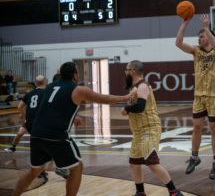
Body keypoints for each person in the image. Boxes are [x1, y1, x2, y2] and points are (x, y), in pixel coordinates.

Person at [12, 62, 136, 196]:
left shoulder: (49, 87)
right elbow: (104, 98)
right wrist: (126, 97)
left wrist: (73, 117)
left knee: (34, 171)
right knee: (77, 167)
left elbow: (46, 107)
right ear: (75, 75)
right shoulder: (78, 89)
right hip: (56, 135)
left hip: (36, 133)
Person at [121, 60, 184, 196]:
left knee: (151, 162)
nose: (125, 73)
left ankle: (174, 191)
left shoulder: (142, 86)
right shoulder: (133, 88)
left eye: (126, 70)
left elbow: (140, 107)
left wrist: (126, 108)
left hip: (149, 129)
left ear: (132, 71)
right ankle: (140, 192)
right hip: (138, 131)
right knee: (134, 162)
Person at [175, 14, 215, 179]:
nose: (200, 39)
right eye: (199, 37)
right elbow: (178, 43)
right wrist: (184, 24)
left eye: (202, 36)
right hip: (199, 96)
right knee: (196, 127)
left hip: (214, 96)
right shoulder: (196, 51)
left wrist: (206, 27)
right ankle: (194, 157)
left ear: (209, 38)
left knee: (214, 129)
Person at [4, 76, 70, 179]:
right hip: (43, 123)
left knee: (39, 146)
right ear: (47, 82)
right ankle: (60, 167)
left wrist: (26, 117)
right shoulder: (47, 93)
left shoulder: (29, 94)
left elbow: (19, 107)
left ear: (35, 84)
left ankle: (40, 170)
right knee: (57, 142)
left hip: (31, 124)